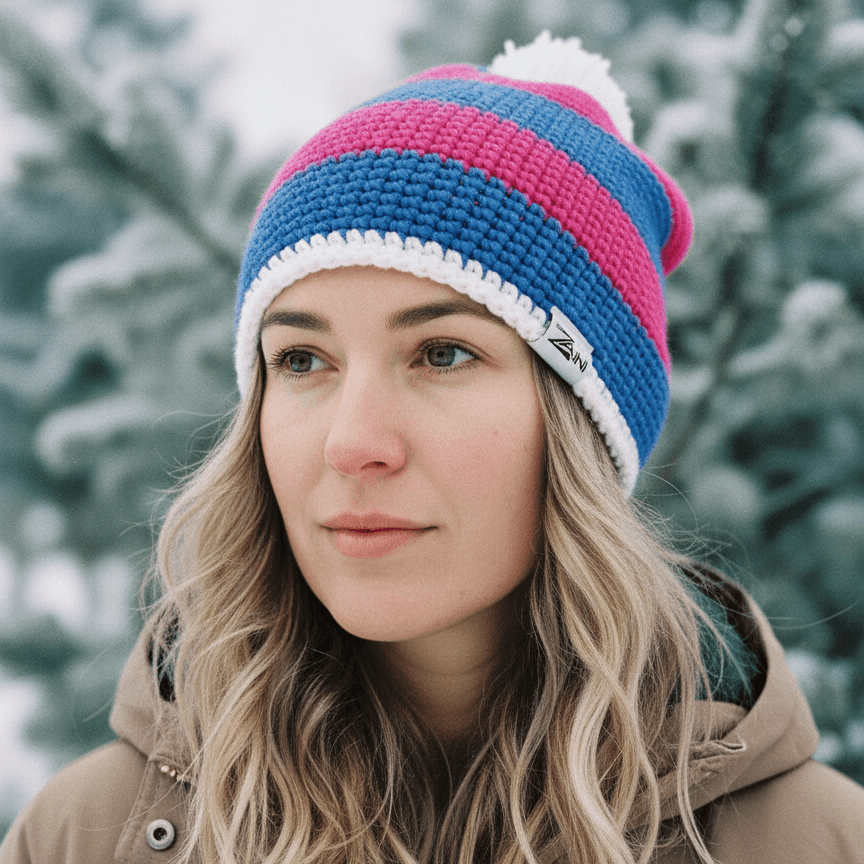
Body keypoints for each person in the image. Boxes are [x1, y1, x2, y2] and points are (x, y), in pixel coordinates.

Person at [2, 31, 863, 864]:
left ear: (582, 422)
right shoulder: (88, 837)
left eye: (442, 353)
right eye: (301, 360)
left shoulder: (817, 844)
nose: (352, 443)